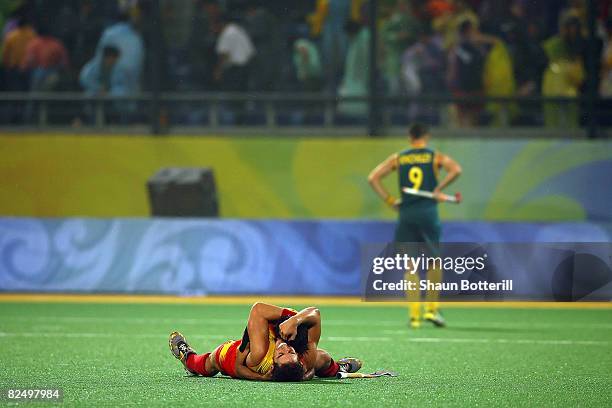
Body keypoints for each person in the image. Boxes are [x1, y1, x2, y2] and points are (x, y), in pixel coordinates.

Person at [368, 123, 462, 328]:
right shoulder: (434, 156)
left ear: (410, 137)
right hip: (428, 213)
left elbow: (373, 177)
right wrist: (439, 188)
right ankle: (431, 310)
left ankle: (414, 316)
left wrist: (390, 200)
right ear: (426, 136)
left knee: (410, 265)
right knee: (433, 262)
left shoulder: (399, 158)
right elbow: (456, 170)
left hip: (407, 214)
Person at [169, 302, 361, 381]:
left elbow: (258, 309)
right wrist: (295, 320)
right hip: (266, 337)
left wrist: (259, 377)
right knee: (322, 358)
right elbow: (316, 314)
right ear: (299, 360)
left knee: (210, 364)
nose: (285, 348)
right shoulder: (304, 360)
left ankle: (187, 357)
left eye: (281, 354)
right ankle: (338, 369)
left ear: (272, 364)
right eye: (291, 353)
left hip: (237, 354)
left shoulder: (261, 355)